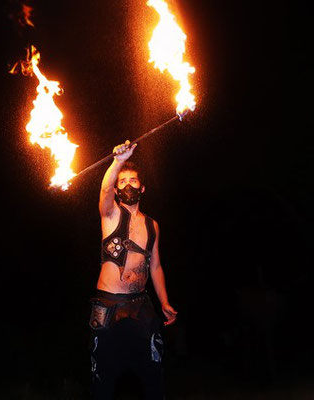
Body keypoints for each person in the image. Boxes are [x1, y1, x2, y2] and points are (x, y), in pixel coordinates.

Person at [89, 140, 178, 400]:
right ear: (117, 190)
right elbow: (104, 188)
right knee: (102, 374)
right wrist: (117, 162)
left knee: (153, 367)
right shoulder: (111, 215)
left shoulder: (153, 225)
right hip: (108, 304)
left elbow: (156, 265)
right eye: (123, 181)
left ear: (143, 187)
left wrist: (164, 301)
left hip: (141, 305)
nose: (128, 184)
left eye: (133, 180)